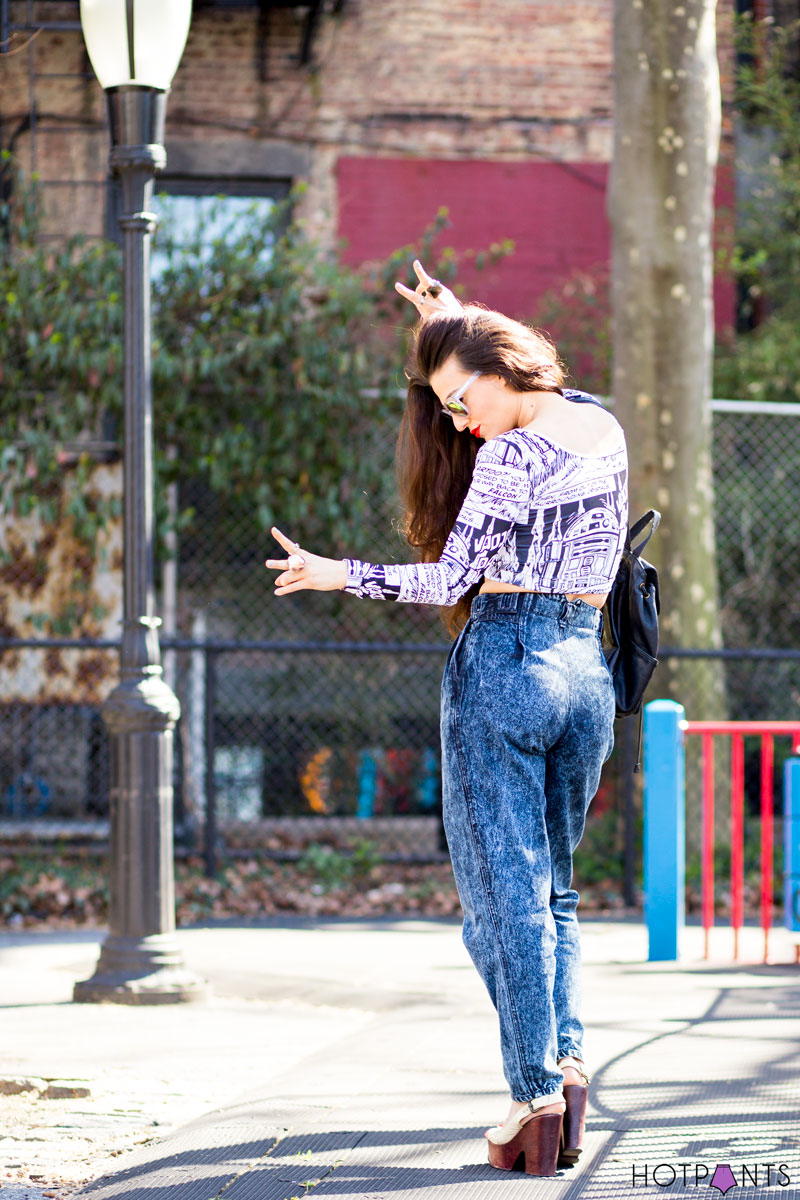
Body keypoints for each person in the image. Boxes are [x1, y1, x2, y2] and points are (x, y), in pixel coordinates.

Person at [265, 261, 628, 1177]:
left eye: (463, 398)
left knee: (498, 901)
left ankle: (533, 1096)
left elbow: (447, 583)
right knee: (552, 890)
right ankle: (567, 1068)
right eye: (446, 406)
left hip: (506, 663)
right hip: (587, 667)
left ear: (506, 372)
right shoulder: (602, 425)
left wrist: (333, 571)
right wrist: (458, 324)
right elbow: (526, 374)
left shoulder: (510, 453)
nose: (458, 422)